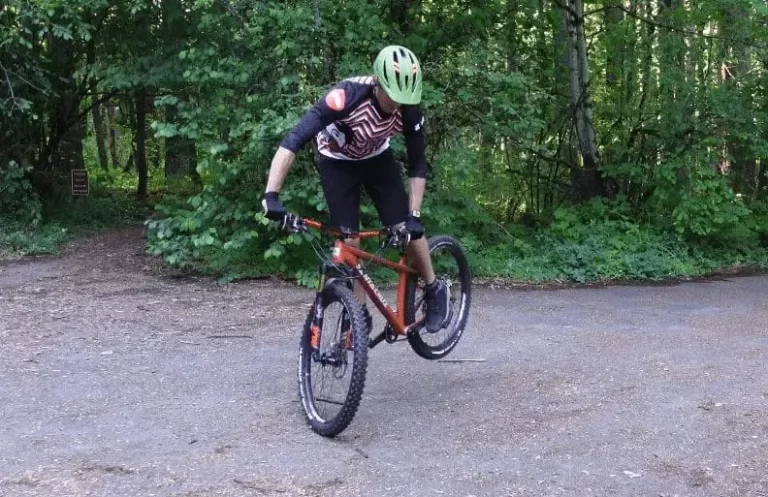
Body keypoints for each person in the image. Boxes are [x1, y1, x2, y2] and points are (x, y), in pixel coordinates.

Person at [262, 45, 449, 333]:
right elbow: (294, 140)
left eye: (403, 99)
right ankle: (358, 313)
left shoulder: (409, 108)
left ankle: (435, 289)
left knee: (405, 227)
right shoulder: (345, 97)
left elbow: (418, 165)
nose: (397, 104)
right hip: (336, 162)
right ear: (377, 82)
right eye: (392, 96)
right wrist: (271, 195)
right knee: (349, 240)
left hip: (377, 159)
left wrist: (414, 214)